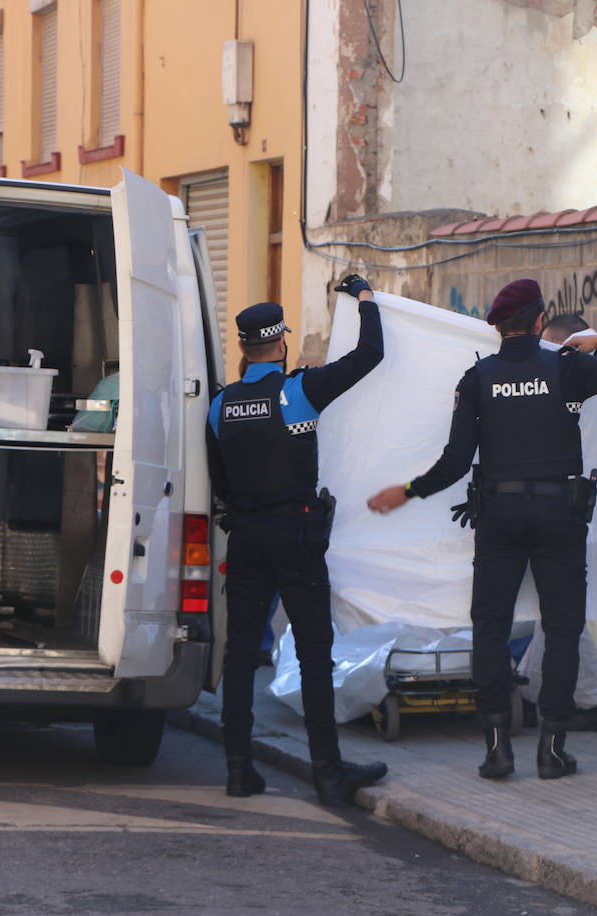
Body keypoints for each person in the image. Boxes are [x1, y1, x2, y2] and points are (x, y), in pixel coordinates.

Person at [368, 282, 597, 780]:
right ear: (539, 320)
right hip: (559, 516)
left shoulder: (478, 377)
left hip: (500, 516)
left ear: (497, 327)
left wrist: (408, 490)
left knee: (490, 627)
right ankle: (551, 750)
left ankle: (496, 749)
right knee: (564, 629)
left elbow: (456, 461)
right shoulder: (568, 368)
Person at [207, 275, 388, 806]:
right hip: (296, 536)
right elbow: (370, 354)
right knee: (314, 652)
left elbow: (220, 482)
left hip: (246, 538)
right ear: (281, 343)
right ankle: (328, 773)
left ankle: (238, 770)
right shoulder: (298, 390)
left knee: (240, 654)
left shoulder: (220, 405)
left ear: (243, 346)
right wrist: (365, 298)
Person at [536, 310, 597, 733]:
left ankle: (592, 699)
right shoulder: (576, 376)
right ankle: (541, 690)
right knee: (552, 613)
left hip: (570, 509)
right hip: (566, 508)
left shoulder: (583, 376)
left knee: (562, 615)